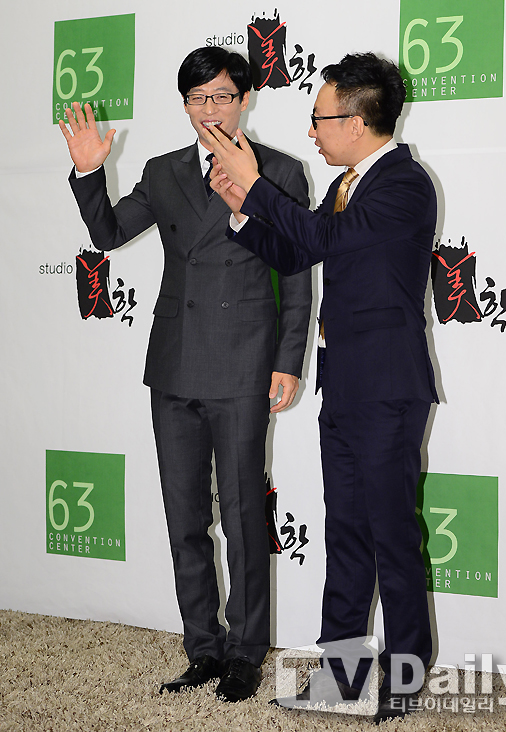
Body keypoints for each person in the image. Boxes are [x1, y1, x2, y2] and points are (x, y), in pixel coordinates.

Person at [59, 46, 311, 703]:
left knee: (245, 518)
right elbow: (110, 234)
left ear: (245, 100)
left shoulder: (280, 170)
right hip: (173, 364)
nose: (210, 109)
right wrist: (89, 171)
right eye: (198, 98)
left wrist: (287, 360)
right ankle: (202, 646)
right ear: (185, 105)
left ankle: (246, 652)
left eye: (222, 96)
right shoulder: (163, 170)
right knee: (183, 517)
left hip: (243, 361)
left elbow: (296, 273)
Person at [206, 51, 438, 722]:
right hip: (345, 386)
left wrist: (256, 184)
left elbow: (324, 234)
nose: (311, 131)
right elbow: (299, 249)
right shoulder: (346, 185)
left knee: (392, 536)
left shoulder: (404, 184)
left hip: (387, 389)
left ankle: (406, 678)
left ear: (357, 122)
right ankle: (341, 675)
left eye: (319, 119)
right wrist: (243, 212)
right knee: (347, 535)